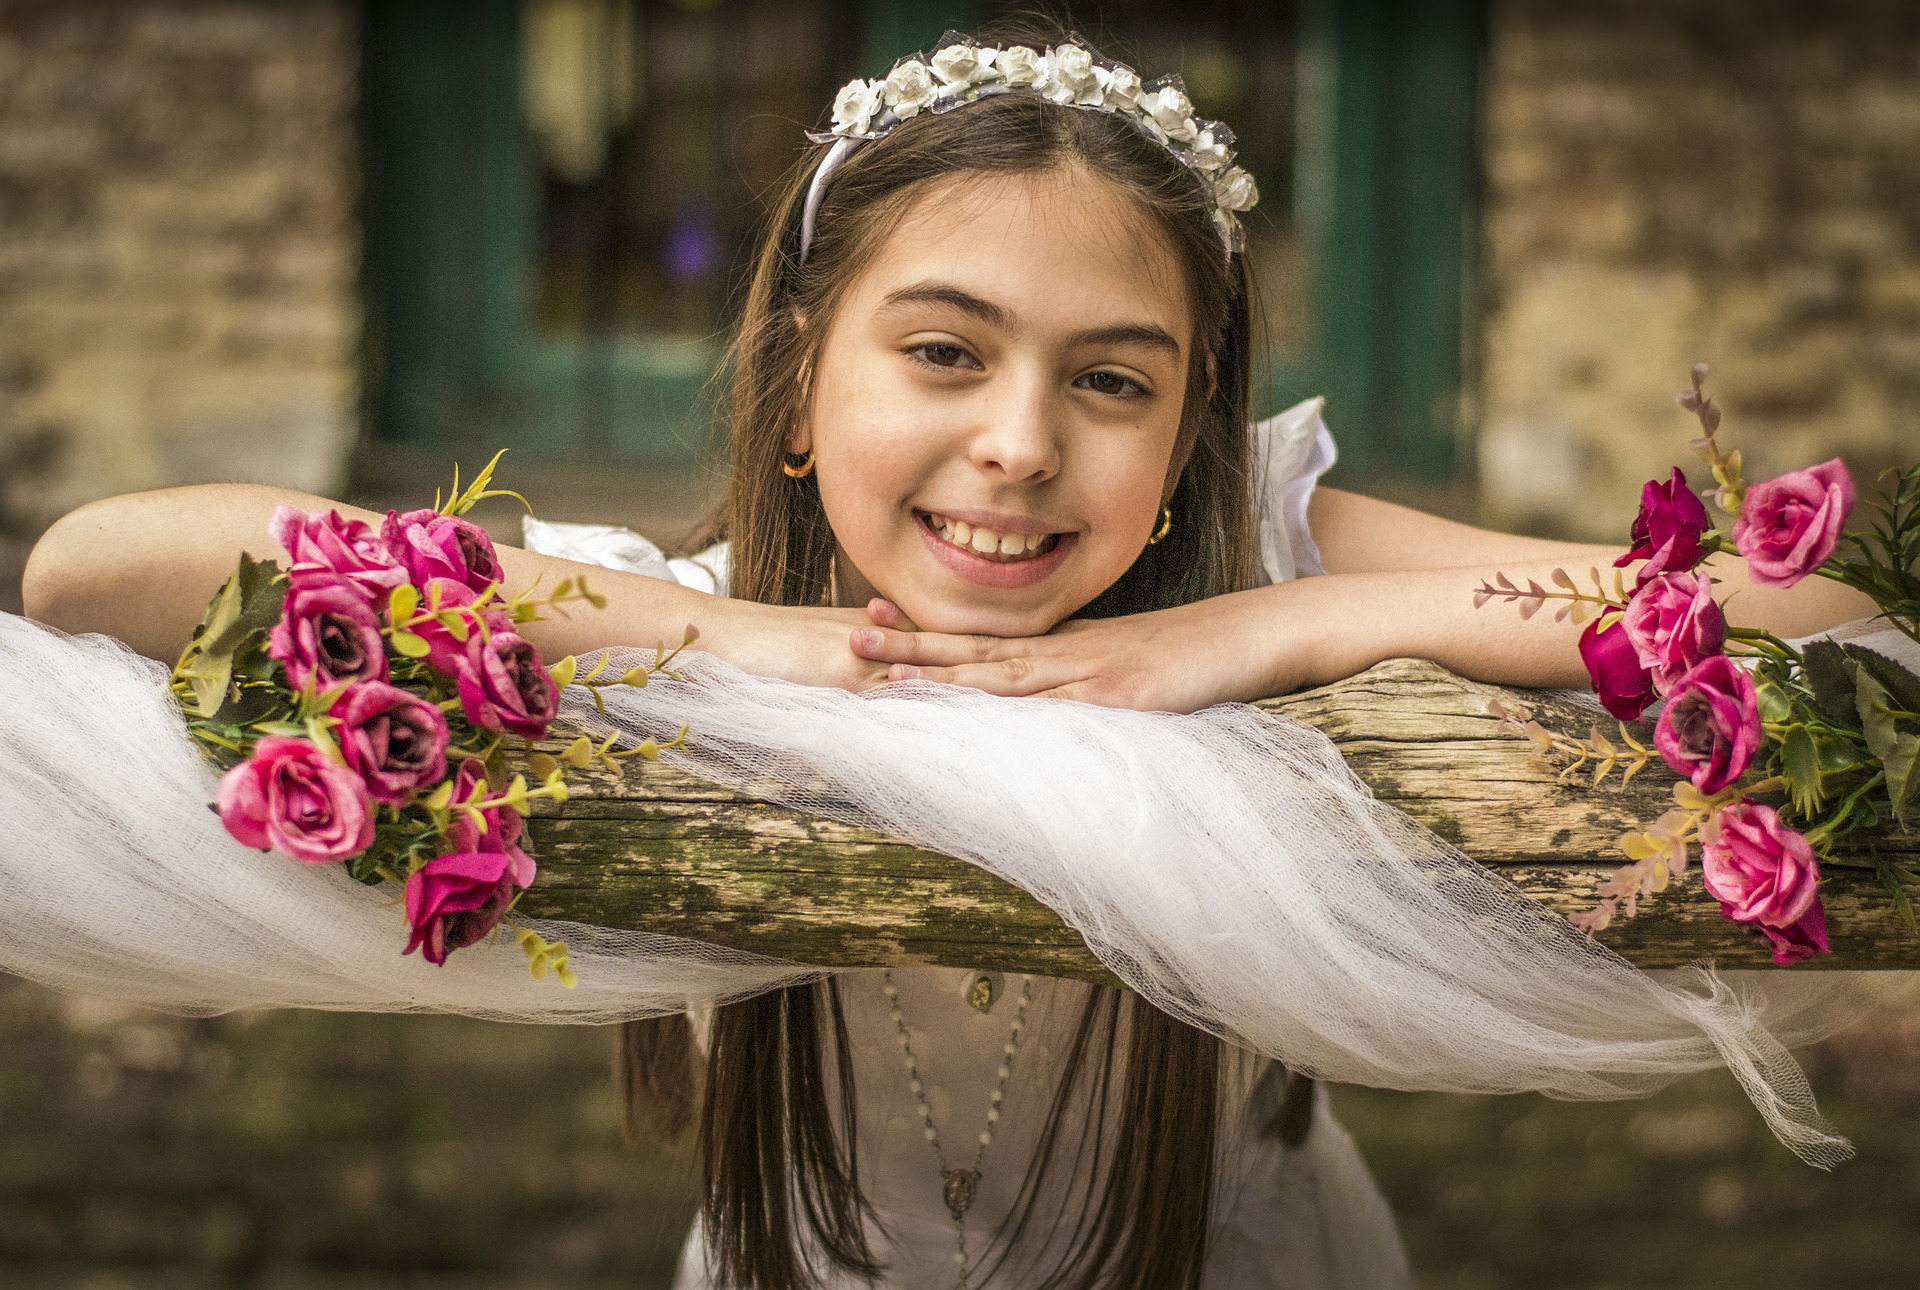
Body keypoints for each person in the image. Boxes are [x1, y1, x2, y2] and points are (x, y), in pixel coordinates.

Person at [19, 21, 1874, 1290]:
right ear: (804, 385)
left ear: (1193, 433)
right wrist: (718, 633)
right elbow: (98, 566)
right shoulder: (662, 615)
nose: (1019, 442)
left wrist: (1280, 615)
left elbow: (1819, 613)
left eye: (1115, 382)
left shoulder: (1261, 547)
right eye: (943, 351)